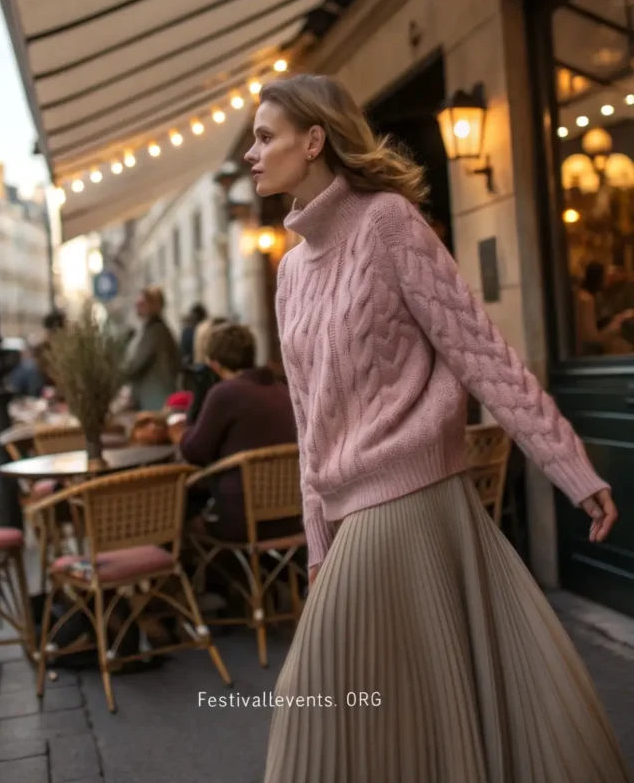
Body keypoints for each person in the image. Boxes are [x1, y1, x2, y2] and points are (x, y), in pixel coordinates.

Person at [244, 73, 630, 783]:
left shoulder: (387, 222)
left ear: (315, 139)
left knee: (316, 708)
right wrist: (318, 541)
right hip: (353, 514)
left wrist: (567, 466)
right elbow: (309, 420)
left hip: (412, 500)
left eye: (266, 136)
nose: (252, 152)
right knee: (400, 708)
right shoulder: (290, 271)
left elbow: (480, 353)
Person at [178, 322, 299, 542]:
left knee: (178, 509)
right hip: (293, 518)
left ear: (215, 365)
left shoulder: (224, 393)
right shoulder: (282, 390)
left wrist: (193, 408)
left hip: (243, 522)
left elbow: (193, 451)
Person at [125, 287, 182, 411]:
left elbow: (135, 365)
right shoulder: (150, 329)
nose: (138, 307)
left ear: (155, 305)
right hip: (154, 397)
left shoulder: (156, 331)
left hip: (157, 399)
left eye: (142, 303)